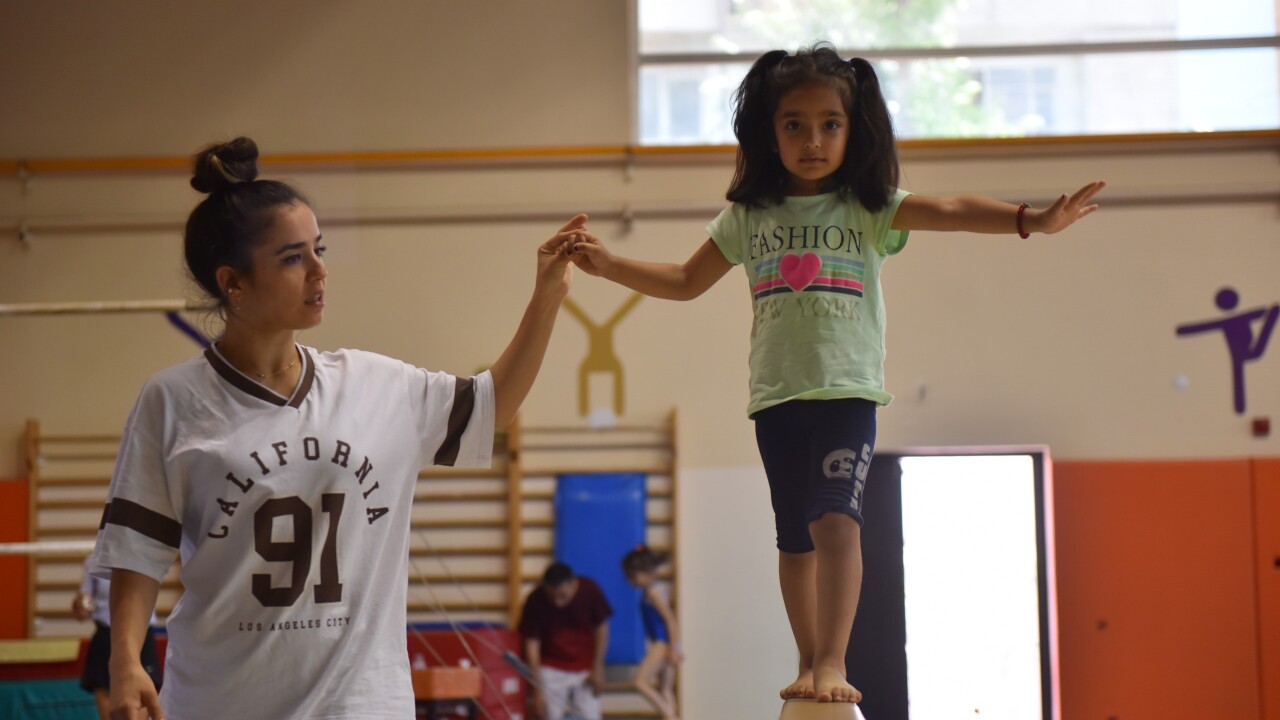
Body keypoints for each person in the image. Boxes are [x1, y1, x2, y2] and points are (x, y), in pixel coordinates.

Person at [568, 44, 1105, 705]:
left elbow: (951, 210)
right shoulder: (750, 216)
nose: (813, 141)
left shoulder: (866, 206)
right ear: (770, 132)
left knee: (837, 523)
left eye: (830, 124)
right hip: (776, 396)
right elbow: (684, 280)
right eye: (794, 124)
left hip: (846, 392)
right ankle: (806, 659)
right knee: (794, 540)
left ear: (854, 131)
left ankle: (832, 660)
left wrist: (1032, 221)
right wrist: (610, 266)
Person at [87, 136, 583, 720]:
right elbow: (139, 551)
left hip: (362, 703)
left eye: (318, 249)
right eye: (293, 258)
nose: (320, 270)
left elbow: (490, 407)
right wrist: (125, 660)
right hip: (220, 703)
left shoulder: (376, 384)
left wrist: (547, 295)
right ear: (233, 283)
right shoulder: (172, 399)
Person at [517, 562, 612, 720]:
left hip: (585, 666)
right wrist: (537, 689)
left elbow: (602, 629)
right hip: (551, 666)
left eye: (562, 595)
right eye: (551, 596)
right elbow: (532, 645)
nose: (557, 602)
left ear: (573, 584)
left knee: (590, 715)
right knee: (547, 715)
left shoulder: (590, 590)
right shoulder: (535, 600)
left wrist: (598, 667)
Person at [70, 559, 162, 720]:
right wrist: (81, 607)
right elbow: (84, 604)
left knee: (138, 707)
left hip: (142, 636)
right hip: (106, 637)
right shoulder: (93, 560)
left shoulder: (145, 552)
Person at [621, 545, 682, 720]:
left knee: (639, 682)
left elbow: (670, 619)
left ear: (646, 572)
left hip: (662, 643)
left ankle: (670, 716)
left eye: (632, 576)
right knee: (665, 689)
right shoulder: (653, 590)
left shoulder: (653, 593)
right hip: (666, 643)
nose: (630, 581)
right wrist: (676, 647)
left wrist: (674, 648)